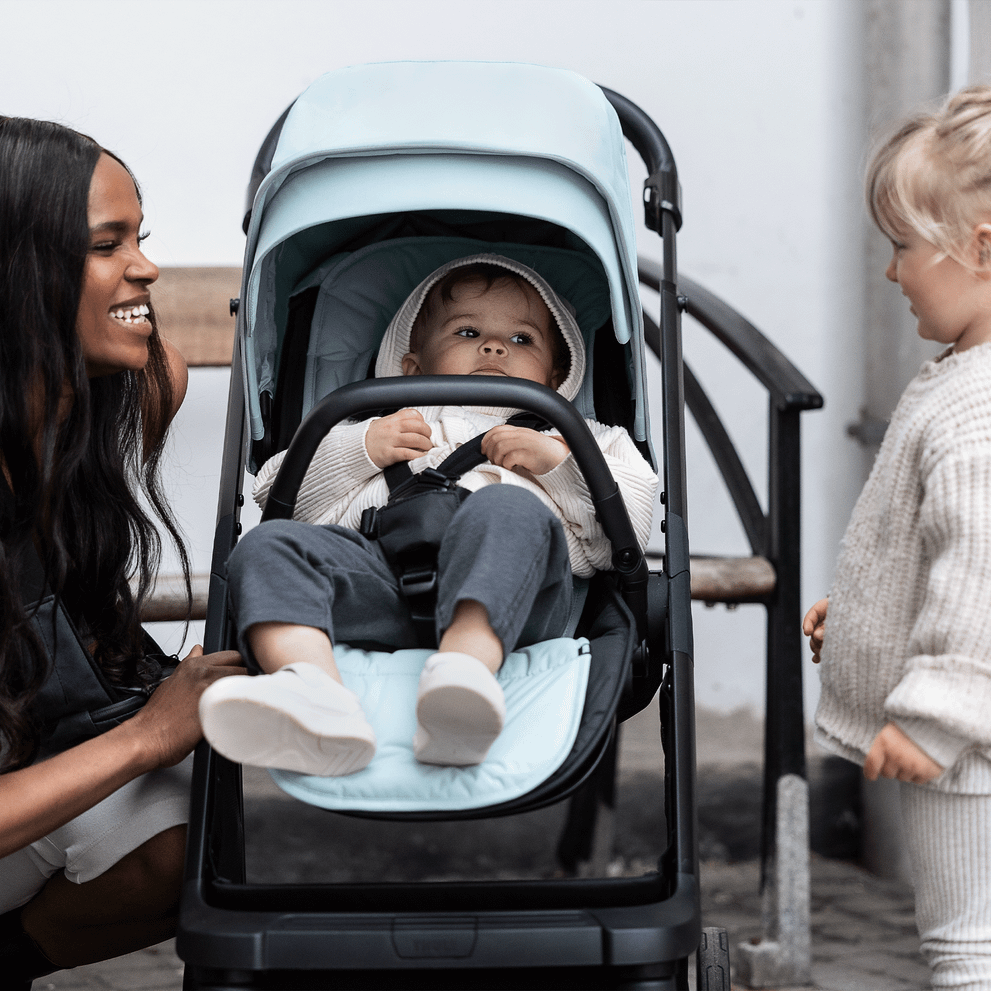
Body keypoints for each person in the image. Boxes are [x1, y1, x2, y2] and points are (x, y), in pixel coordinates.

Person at [200, 254, 657, 775]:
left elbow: (629, 533)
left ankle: (464, 679)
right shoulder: (376, 424)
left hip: (518, 605)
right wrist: (360, 449)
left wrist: (558, 464)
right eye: (467, 331)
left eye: (522, 339)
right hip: (381, 587)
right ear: (413, 367)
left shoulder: (579, 437)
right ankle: (313, 693)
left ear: (556, 379)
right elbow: (279, 496)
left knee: (506, 507)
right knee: (264, 546)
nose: (494, 347)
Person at [0, 117, 243, 987]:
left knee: (180, 840)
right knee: (162, 777)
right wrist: (147, 734)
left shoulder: (117, 395)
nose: (146, 269)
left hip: (26, 753)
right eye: (107, 245)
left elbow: (161, 359)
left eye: (140, 237)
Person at [804, 86, 991, 989]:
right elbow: (928, 549)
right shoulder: (960, 378)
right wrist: (862, 613)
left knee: (967, 946)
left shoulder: (977, 409)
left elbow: (981, 570)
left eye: (903, 247)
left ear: (981, 250)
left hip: (968, 748)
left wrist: (934, 717)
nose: (891, 272)